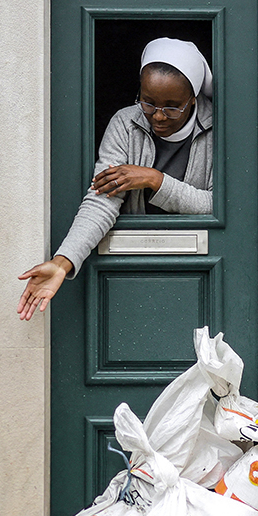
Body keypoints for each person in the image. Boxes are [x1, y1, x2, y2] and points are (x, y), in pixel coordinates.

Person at [17, 38, 214, 319]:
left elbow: (218, 204)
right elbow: (102, 199)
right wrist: (63, 262)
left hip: (199, 260)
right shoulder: (125, 123)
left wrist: (155, 180)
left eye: (172, 107)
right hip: (135, 263)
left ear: (193, 99)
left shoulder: (219, 127)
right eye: (148, 102)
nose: (157, 116)